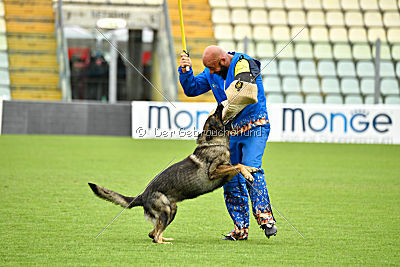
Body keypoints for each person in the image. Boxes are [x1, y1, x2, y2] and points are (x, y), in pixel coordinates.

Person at [178, 46, 277, 240]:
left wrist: (220, 113)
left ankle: (265, 218)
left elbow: (244, 94)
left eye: (213, 68)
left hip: (254, 127)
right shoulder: (211, 70)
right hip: (230, 132)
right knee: (229, 175)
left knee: (251, 168)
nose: (210, 73)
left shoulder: (243, 63)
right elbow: (191, 90)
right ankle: (240, 229)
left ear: (223, 61)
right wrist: (185, 71)